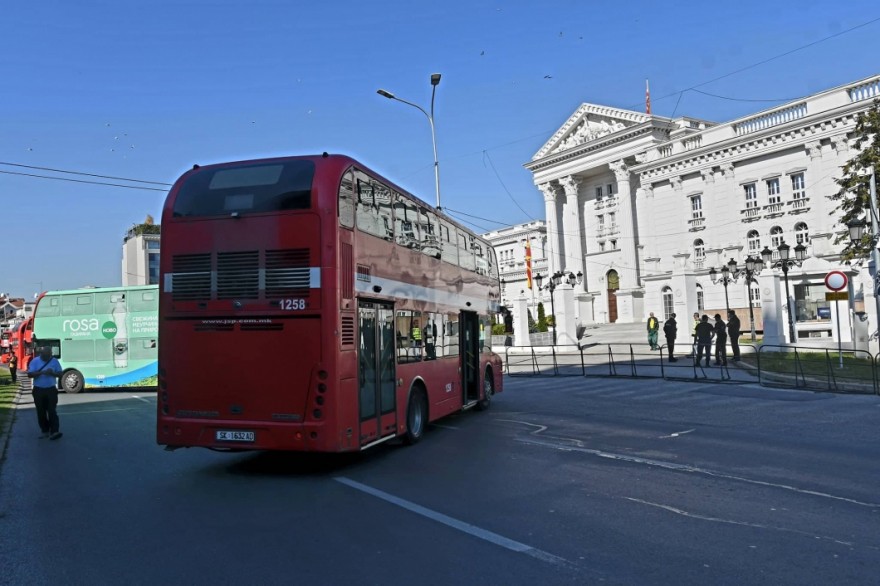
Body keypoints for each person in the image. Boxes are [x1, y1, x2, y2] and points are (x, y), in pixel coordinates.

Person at [27, 345, 63, 440]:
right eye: (45, 355)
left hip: (51, 389)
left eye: (49, 355)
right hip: (38, 389)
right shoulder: (35, 361)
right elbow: (29, 374)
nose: (47, 357)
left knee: (52, 410)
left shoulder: (54, 361)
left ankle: (55, 431)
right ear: (41, 354)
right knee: (41, 411)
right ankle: (45, 430)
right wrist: (42, 372)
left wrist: (52, 373)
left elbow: (60, 374)